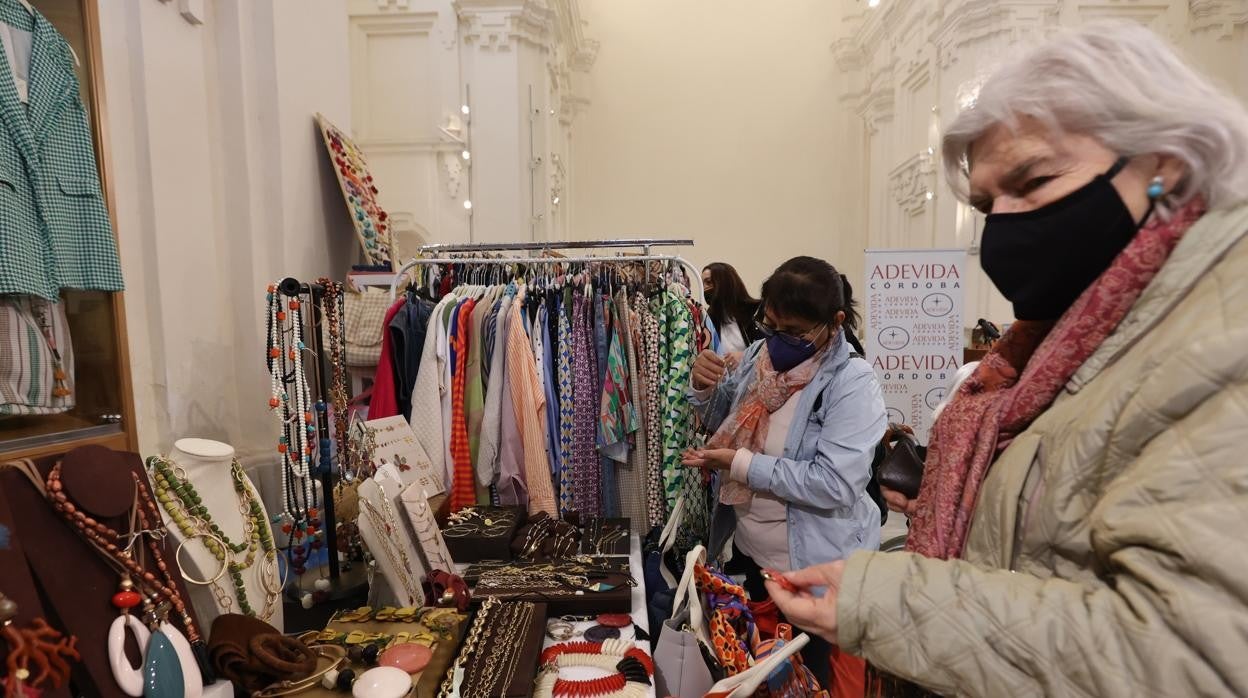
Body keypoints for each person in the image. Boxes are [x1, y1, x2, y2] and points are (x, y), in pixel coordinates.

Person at [767, 22, 1248, 697]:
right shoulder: (1067, 346)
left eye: (1034, 181)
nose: (1006, 228)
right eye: (989, 204)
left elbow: (1193, 659)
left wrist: (888, 601)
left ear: (1163, 164)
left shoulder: (1219, 338)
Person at [684, 256, 887, 686]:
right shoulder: (760, 356)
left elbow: (835, 483)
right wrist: (703, 389)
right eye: (771, 324)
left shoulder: (852, 383)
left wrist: (741, 464)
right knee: (763, 674)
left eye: (793, 332)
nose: (777, 340)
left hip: (816, 570)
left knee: (812, 680)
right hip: (754, 557)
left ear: (833, 323)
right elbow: (727, 419)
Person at [701, 262, 762, 356]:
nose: (704, 288)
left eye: (708, 282)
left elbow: (768, 352)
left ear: (725, 283)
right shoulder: (708, 319)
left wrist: (744, 357)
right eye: (702, 284)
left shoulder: (757, 311)